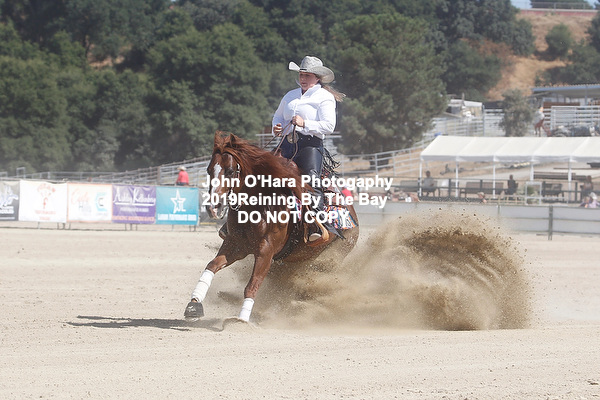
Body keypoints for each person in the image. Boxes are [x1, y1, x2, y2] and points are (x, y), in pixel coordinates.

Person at [272, 55, 344, 242]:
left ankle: (316, 224)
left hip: (310, 146)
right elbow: (278, 116)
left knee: (311, 179)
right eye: (301, 74)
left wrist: (305, 123)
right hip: (286, 143)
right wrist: (276, 127)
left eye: (307, 75)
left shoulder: (325, 97)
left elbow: (328, 126)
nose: (303, 78)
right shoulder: (290, 95)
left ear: (317, 77)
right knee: (261, 173)